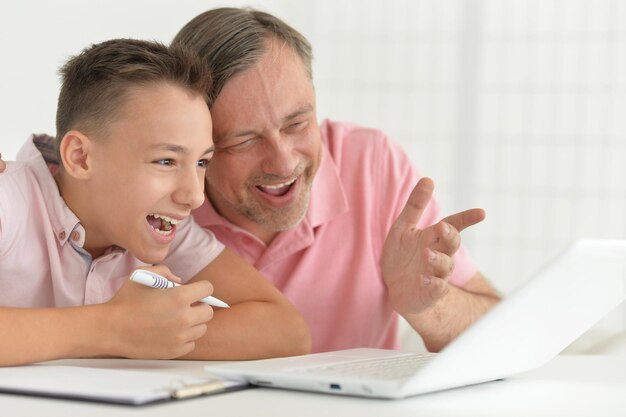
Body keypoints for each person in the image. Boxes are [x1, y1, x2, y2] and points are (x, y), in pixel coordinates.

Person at [0, 8, 501, 354]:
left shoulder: (374, 166)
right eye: (240, 142)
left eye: (298, 123)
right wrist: (110, 330)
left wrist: (429, 309)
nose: (284, 160)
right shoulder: (152, 212)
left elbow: (502, 329)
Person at [0, 38, 310, 367]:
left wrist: (150, 334)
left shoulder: (163, 227)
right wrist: (112, 328)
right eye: (165, 161)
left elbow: (286, 330)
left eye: (201, 163)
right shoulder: (10, 202)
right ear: (81, 157)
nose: (194, 196)